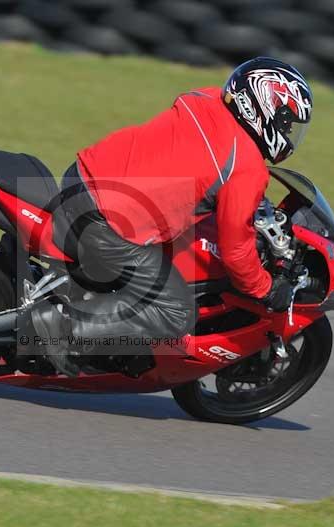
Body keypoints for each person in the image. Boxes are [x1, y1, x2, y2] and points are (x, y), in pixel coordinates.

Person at [32, 57, 314, 377]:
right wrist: (266, 288)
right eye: (287, 122)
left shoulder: (203, 98)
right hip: (106, 223)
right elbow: (236, 252)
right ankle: (62, 329)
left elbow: (196, 158)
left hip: (82, 175)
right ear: (263, 108)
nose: (289, 133)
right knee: (176, 312)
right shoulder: (247, 168)